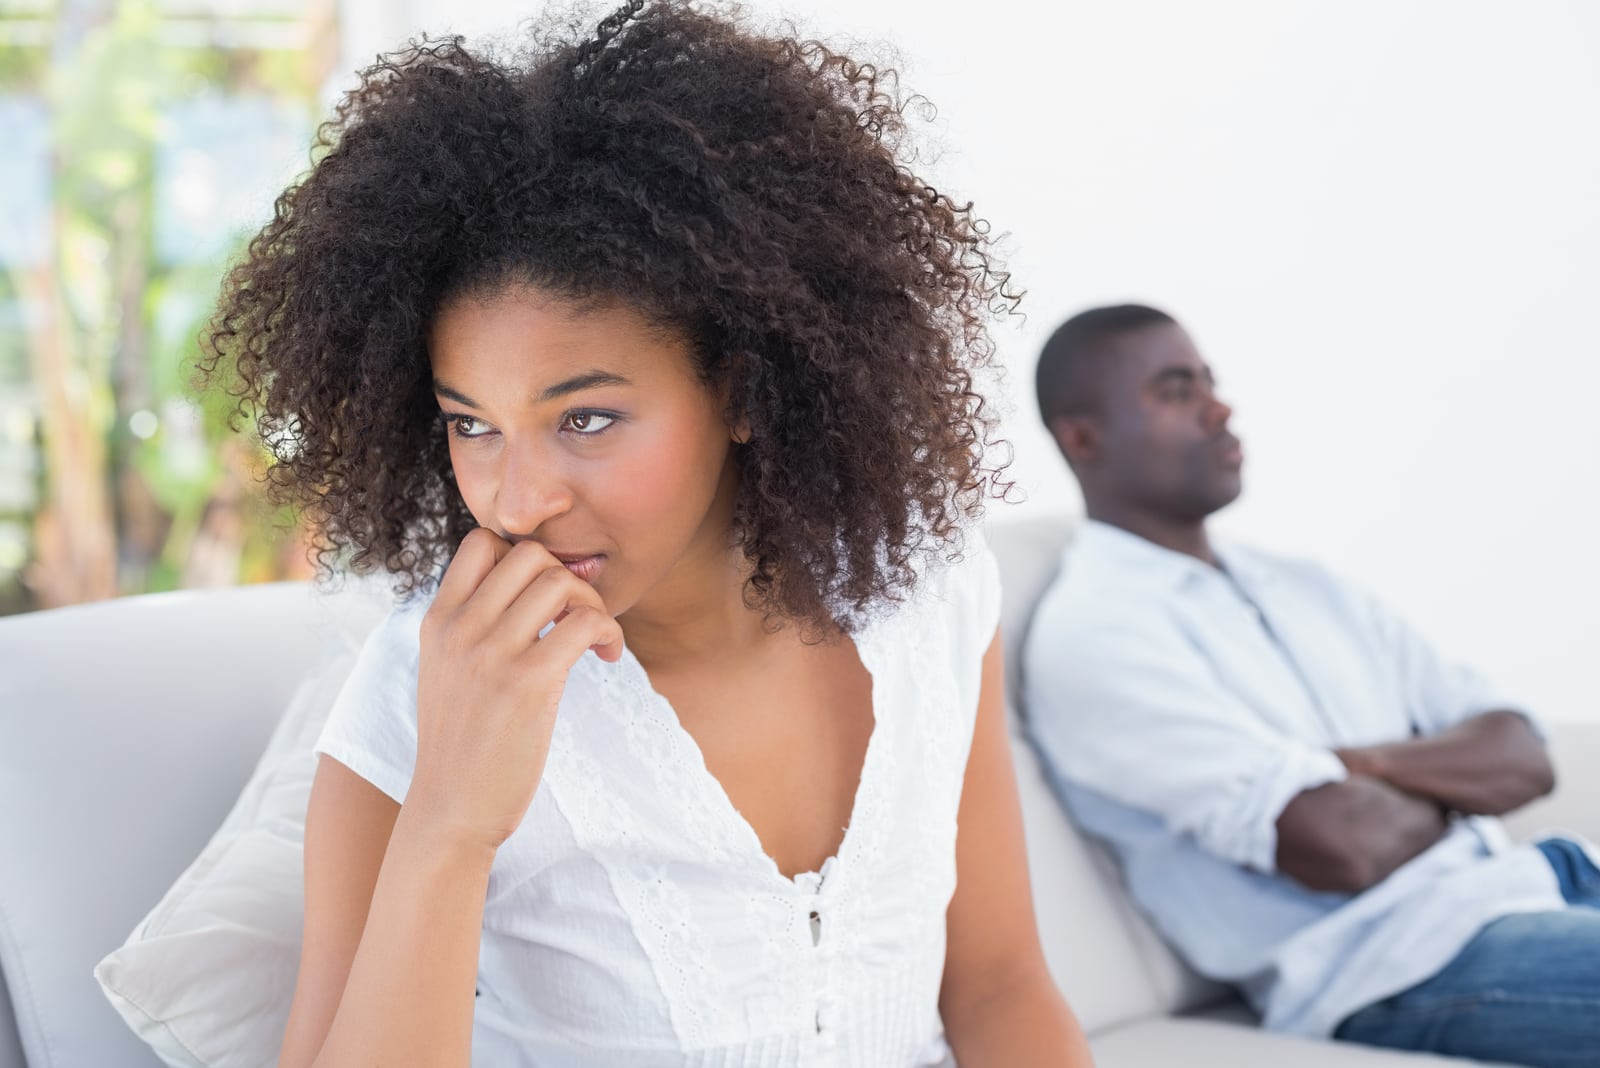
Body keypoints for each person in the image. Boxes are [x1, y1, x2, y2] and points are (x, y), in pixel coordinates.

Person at [198, 2, 1094, 1065]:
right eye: (470, 425)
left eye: (584, 418)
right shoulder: (415, 689)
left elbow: (996, 986)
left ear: (745, 389)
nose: (517, 501)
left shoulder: (924, 590)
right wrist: (451, 817)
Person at [1022, 304, 1600, 1067]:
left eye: (1210, 381)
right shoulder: (1097, 635)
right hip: (1404, 965)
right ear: (1082, 437)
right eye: (1175, 390)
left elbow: (1524, 755)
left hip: (1542, 878)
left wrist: (1364, 764)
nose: (1219, 407)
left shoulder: (1309, 587)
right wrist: (1446, 778)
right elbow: (1344, 844)